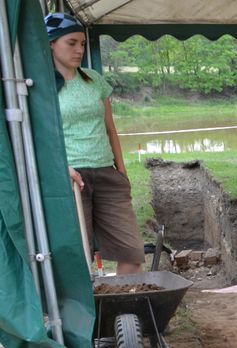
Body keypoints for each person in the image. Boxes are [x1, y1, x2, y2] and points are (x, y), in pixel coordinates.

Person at [46, 12, 143, 275]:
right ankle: (88, 314)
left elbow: (110, 129)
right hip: (71, 178)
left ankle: (123, 309)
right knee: (80, 258)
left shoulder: (93, 79)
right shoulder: (40, 86)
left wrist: (121, 171)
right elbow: (37, 138)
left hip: (106, 174)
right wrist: (61, 169)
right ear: (51, 44)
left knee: (132, 253)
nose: (79, 50)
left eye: (82, 44)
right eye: (71, 43)